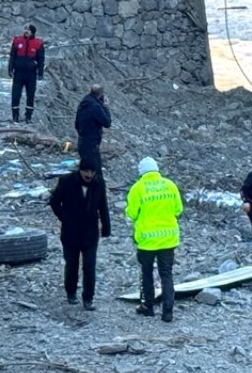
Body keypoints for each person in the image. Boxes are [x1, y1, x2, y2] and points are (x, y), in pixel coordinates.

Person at [125, 156, 183, 323]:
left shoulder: (138, 188)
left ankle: (147, 307)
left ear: (141, 172)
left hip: (146, 240)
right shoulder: (170, 185)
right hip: (168, 239)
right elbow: (178, 209)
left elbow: (132, 213)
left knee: (146, 273)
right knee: (166, 274)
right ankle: (168, 312)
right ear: (157, 169)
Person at [49, 156, 111, 310]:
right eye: (86, 172)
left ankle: (88, 298)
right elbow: (54, 201)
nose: (89, 175)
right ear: (80, 170)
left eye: (92, 172)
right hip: (70, 232)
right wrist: (64, 218)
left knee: (90, 266)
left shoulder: (98, 183)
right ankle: (71, 293)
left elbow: (103, 205)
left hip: (90, 233)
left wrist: (106, 227)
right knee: (72, 265)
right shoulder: (67, 181)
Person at [7, 25, 45, 123]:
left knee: (30, 95)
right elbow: (12, 56)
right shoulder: (17, 41)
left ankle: (28, 116)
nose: (26, 31)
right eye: (25, 29)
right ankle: (15, 116)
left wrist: (40, 72)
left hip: (31, 74)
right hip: (18, 73)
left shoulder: (38, 43)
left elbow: (41, 59)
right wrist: (10, 69)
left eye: (28, 30)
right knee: (15, 95)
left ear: (32, 32)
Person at [74, 85, 112, 176]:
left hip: (82, 141)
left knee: (86, 172)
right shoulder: (95, 106)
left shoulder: (84, 102)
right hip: (91, 144)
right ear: (101, 94)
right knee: (95, 173)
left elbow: (77, 124)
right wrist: (106, 108)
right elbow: (107, 123)